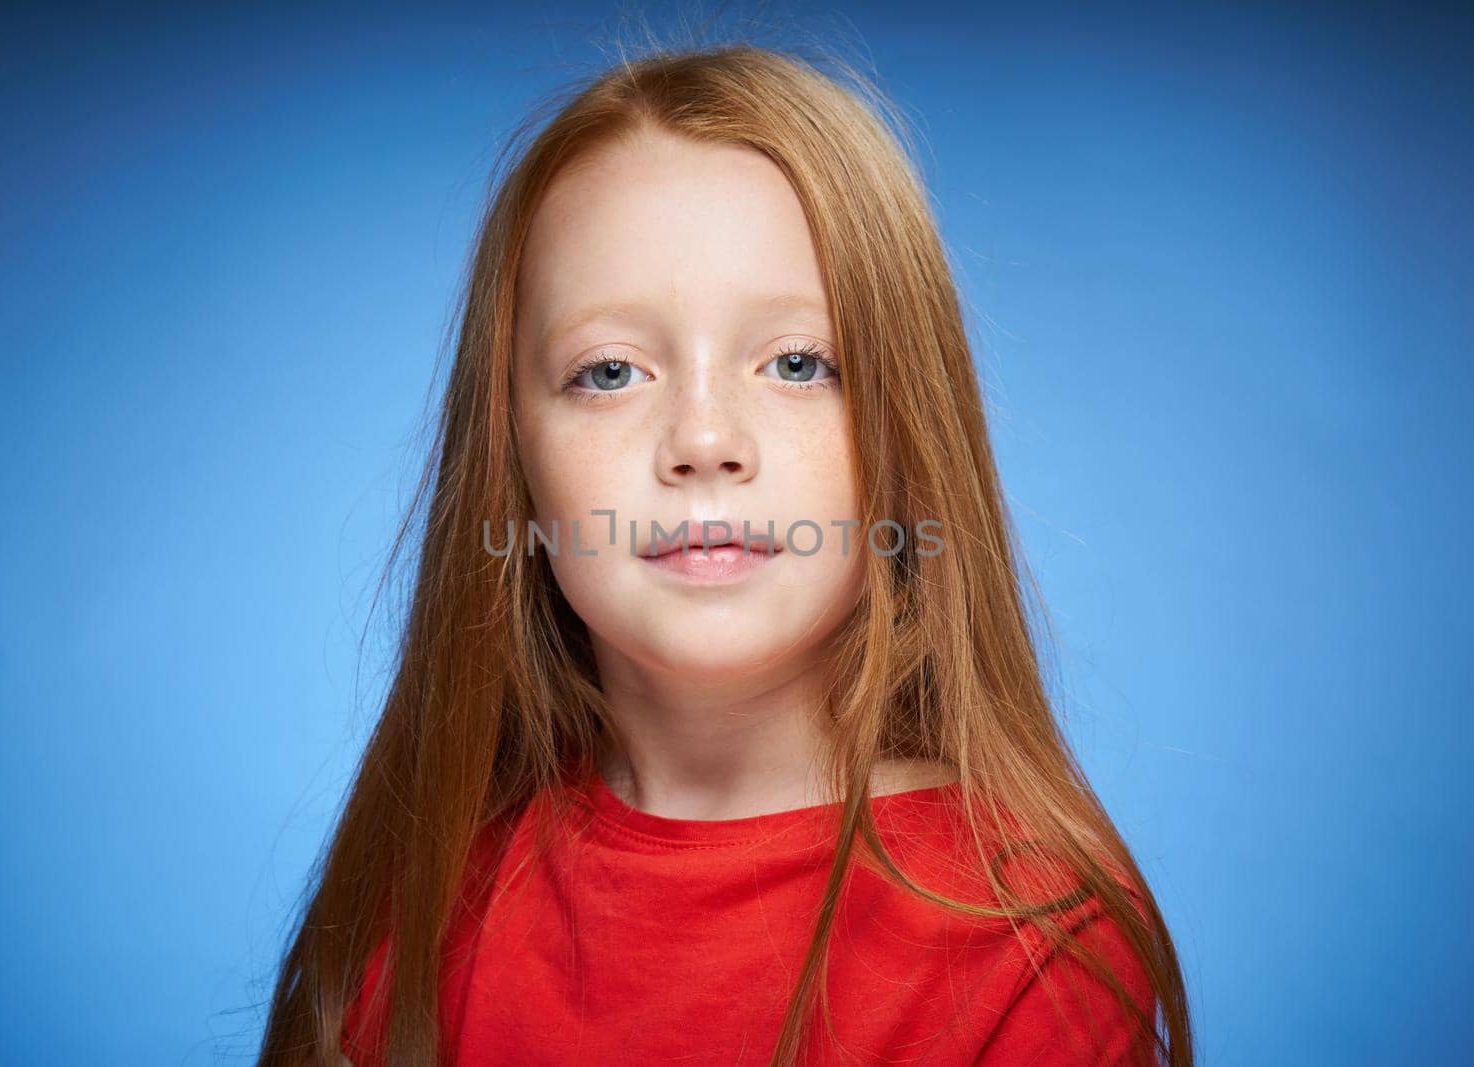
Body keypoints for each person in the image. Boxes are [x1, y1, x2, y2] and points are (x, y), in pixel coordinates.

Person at [258, 40, 1193, 1067]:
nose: (703, 439)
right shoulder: (428, 895)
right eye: (609, 370)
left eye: (797, 362)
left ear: (909, 433)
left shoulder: (1029, 928)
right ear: (510, 456)